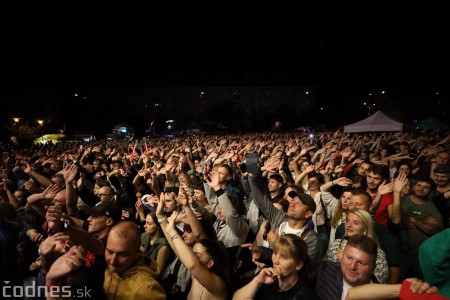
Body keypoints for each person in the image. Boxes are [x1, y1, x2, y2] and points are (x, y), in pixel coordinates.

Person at [233, 234, 317, 300]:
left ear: (298, 265)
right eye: (275, 253)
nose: (275, 261)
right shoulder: (266, 273)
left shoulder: (304, 295)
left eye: (284, 257)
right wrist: (257, 281)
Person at [103, 221, 165, 300]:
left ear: (137, 251)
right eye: (110, 252)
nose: (112, 261)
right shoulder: (115, 267)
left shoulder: (147, 291)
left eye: (122, 255)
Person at [324, 209, 388, 283]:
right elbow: (324, 269)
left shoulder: (377, 254)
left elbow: (377, 286)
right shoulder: (336, 244)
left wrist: (342, 262)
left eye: (355, 223)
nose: (349, 225)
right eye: (347, 221)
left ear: (365, 227)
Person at [316, 234, 378, 299]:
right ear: (341, 256)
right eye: (349, 258)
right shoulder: (325, 270)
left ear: (373, 268)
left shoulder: (379, 296)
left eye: (361, 263)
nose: (352, 267)